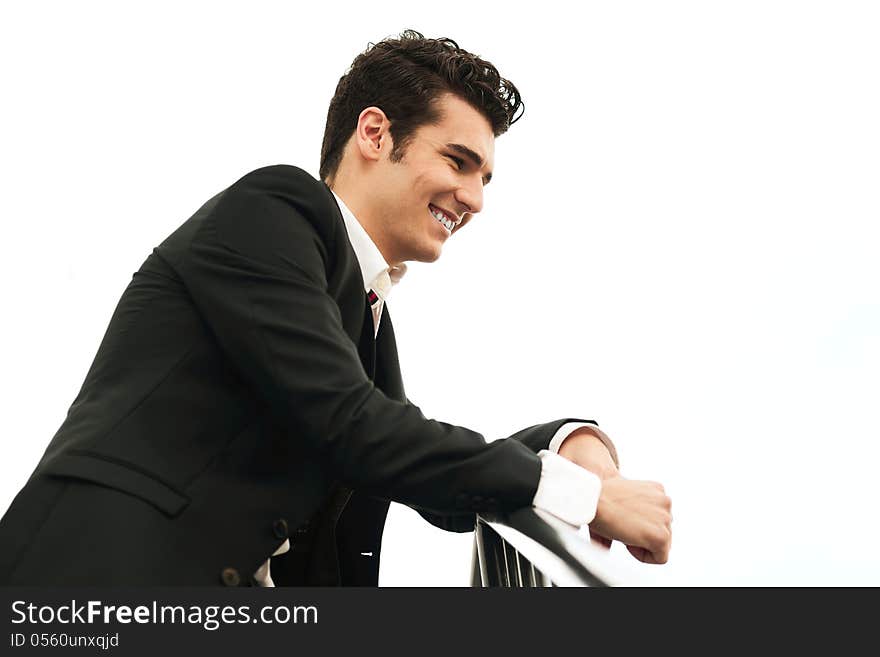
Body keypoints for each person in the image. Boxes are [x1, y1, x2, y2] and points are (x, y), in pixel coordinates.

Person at [0, 30, 671, 586]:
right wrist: (587, 497)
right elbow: (359, 427)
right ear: (375, 134)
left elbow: (417, 470)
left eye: (485, 177)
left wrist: (563, 444)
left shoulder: (366, 315)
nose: (474, 198)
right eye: (458, 161)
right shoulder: (274, 209)